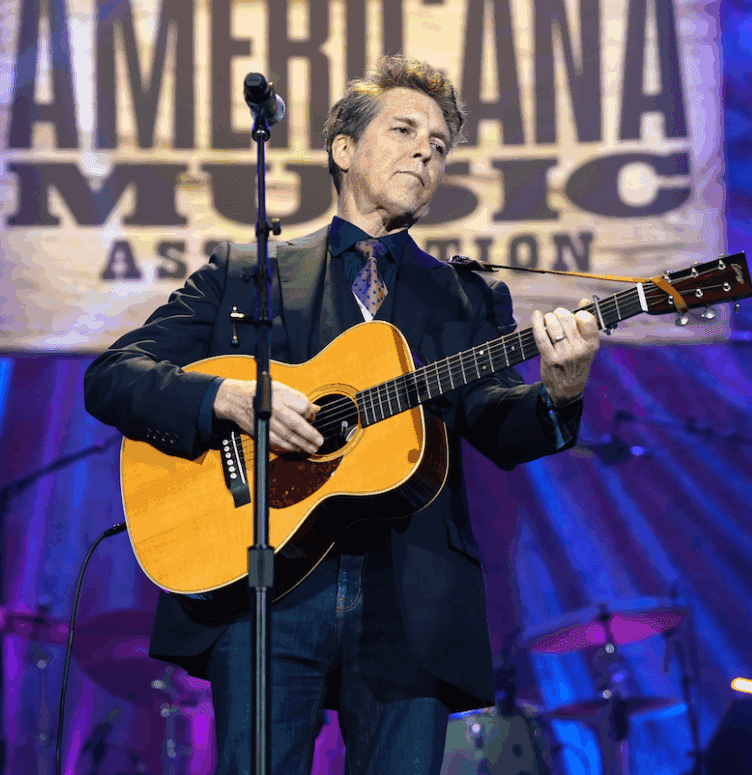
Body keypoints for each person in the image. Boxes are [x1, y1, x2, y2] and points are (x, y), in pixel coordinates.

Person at [84, 55, 601, 774]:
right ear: (344, 149)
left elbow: (497, 423)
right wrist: (226, 398)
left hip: (410, 594)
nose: (427, 149)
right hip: (260, 580)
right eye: (404, 129)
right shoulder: (246, 273)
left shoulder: (466, 297)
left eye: (440, 144)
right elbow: (111, 377)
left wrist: (560, 391)